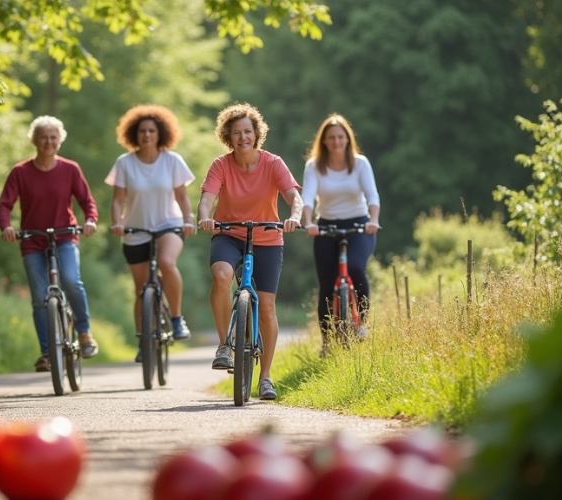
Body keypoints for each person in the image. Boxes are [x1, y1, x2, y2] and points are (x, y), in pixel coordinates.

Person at [196, 102, 303, 401]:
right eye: (236, 133)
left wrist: (294, 216)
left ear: (256, 134)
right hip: (228, 234)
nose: (243, 137)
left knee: (266, 309)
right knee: (221, 276)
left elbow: (294, 197)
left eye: (247, 131)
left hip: (267, 236)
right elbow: (207, 199)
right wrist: (205, 216)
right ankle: (223, 345)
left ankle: (265, 377)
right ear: (228, 137)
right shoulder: (221, 165)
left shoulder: (273, 163)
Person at [0, 115, 100, 372]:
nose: (48, 142)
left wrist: (90, 220)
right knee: (40, 298)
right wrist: (6, 226)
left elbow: (87, 201)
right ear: (34, 140)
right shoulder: (20, 172)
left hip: (64, 236)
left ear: (60, 140)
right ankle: (47, 352)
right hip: (32, 240)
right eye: (43, 137)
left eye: (53, 137)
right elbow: (4, 205)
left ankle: (84, 333)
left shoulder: (70, 169)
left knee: (71, 280)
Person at [105, 104, 197, 362]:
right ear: (134, 134)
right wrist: (116, 222)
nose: (146, 135)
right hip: (135, 230)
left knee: (167, 263)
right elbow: (117, 200)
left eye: (151, 131)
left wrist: (188, 220)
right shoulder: (124, 163)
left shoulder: (172, 160)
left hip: (168, 224)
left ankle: (176, 319)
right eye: (142, 131)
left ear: (160, 134)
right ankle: (143, 340)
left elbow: (182, 197)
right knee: (141, 288)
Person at [300, 113, 381, 357]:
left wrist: (373, 220)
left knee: (355, 267)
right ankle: (326, 342)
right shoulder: (314, 166)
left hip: (359, 226)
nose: (336, 141)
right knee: (327, 284)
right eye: (331, 137)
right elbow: (307, 198)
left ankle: (361, 324)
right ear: (324, 141)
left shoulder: (360, 164)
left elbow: (372, 195)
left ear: (348, 139)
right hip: (326, 227)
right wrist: (308, 223)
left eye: (340, 137)